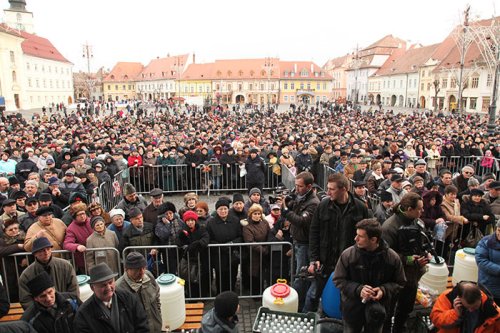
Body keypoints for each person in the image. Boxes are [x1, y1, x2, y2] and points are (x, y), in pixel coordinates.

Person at [307, 173, 369, 312]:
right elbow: (314, 232)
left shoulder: (360, 208)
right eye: (328, 188)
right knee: (317, 297)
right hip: (326, 262)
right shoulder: (323, 205)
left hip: (350, 265)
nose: (327, 192)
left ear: (344, 189)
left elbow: (367, 235)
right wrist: (314, 258)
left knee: (347, 302)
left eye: (332, 189)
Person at [334, 218, 406, 333]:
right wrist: (358, 289)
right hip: (352, 310)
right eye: (356, 234)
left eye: (360, 236)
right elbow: (338, 280)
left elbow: (400, 282)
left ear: (373, 239)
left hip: (377, 312)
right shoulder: (348, 255)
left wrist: (384, 290)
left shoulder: (392, 258)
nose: (355, 239)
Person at [381, 192, 429, 332]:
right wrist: (408, 259)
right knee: (388, 312)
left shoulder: (417, 222)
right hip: (393, 278)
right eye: (419, 209)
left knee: (405, 310)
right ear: (409, 209)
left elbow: (419, 244)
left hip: (411, 277)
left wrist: (424, 255)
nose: (422, 211)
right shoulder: (389, 227)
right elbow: (385, 254)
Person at [280, 171, 320, 311]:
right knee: (297, 274)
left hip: (305, 244)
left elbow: (302, 221)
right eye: (295, 185)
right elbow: (296, 210)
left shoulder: (313, 203)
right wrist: (290, 202)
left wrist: (286, 211)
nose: (296, 189)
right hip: (297, 241)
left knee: (301, 277)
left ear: (309, 186)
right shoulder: (301, 196)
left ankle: (299, 307)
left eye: (300, 186)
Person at [73, 263, 149, 333]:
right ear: (92, 288)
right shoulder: (83, 314)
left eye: (110, 282)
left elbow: (142, 325)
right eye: (103, 285)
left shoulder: (129, 298)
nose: (108, 287)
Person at [18, 237, 79, 310]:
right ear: (35, 254)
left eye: (48, 249)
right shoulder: (27, 274)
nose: (46, 252)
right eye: (41, 251)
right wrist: (40, 312)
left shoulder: (66, 266)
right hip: (42, 314)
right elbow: (26, 300)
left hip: (65, 309)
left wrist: (66, 306)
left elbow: (74, 290)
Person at [116, 252, 162, 333]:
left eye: (143, 268)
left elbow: (157, 297)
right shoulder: (119, 288)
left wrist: (158, 316)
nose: (141, 272)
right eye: (137, 269)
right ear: (126, 269)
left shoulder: (148, 276)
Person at [430, 281, 500, 332]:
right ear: (458, 298)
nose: (471, 310)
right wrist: (455, 314)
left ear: (481, 297)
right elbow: (436, 320)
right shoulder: (447, 297)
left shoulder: (493, 310)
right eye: (467, 307)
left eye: (475, 307)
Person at [206, 198, 242, 294]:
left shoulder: (235, 220)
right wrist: (221, 246)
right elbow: (209, 239)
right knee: (221, 276)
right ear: (216, 210)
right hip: (219, 255)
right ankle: (221, 294)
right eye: (220, 209)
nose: (223, 211)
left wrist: (232, 244)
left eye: (225, 209)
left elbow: (240, 236)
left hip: (232, 254)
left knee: (232, 274)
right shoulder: (210, 223)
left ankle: (231, 293)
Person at [178, 210, 210, 297]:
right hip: (188, 260)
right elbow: (179, 242)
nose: (190, 222)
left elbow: (206, 239)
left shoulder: (202, 229)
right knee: (189, 279)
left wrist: (195, 244)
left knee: (201, 279)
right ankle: (191, 296)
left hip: (201, 259)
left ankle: (203, 296)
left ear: (195, 221)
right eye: (188, 221)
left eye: (192, 220)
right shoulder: (182, 231)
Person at [241, 204, 270, 295]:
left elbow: (269, 234)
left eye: (259, 214)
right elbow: (250, 241)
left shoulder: (264, 223)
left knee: (264, 273)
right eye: (255, 214)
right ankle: (256, 294)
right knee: (255, 274)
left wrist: (268, 247)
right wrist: (263, 250)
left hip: (265, 252)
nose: (257, 216)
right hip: (254, 255)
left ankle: (264, 292)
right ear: (250, 214)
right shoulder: (247, 226)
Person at [0, 218, 27, 302]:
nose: (14, 231)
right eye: (10, 230)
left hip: (23, 270)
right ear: (5, 231)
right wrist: (18, 246)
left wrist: (27, 258)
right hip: (8, 271)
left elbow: (31, 248)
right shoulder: (2, 240)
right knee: (12, 293)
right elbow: (2, 251)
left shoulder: (24, 237)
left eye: (15, 228)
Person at [475, 220, 500, 306]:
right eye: (499, 230)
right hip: (487, 287)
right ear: (496, 229)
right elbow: (481, 260)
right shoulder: (486, 241)